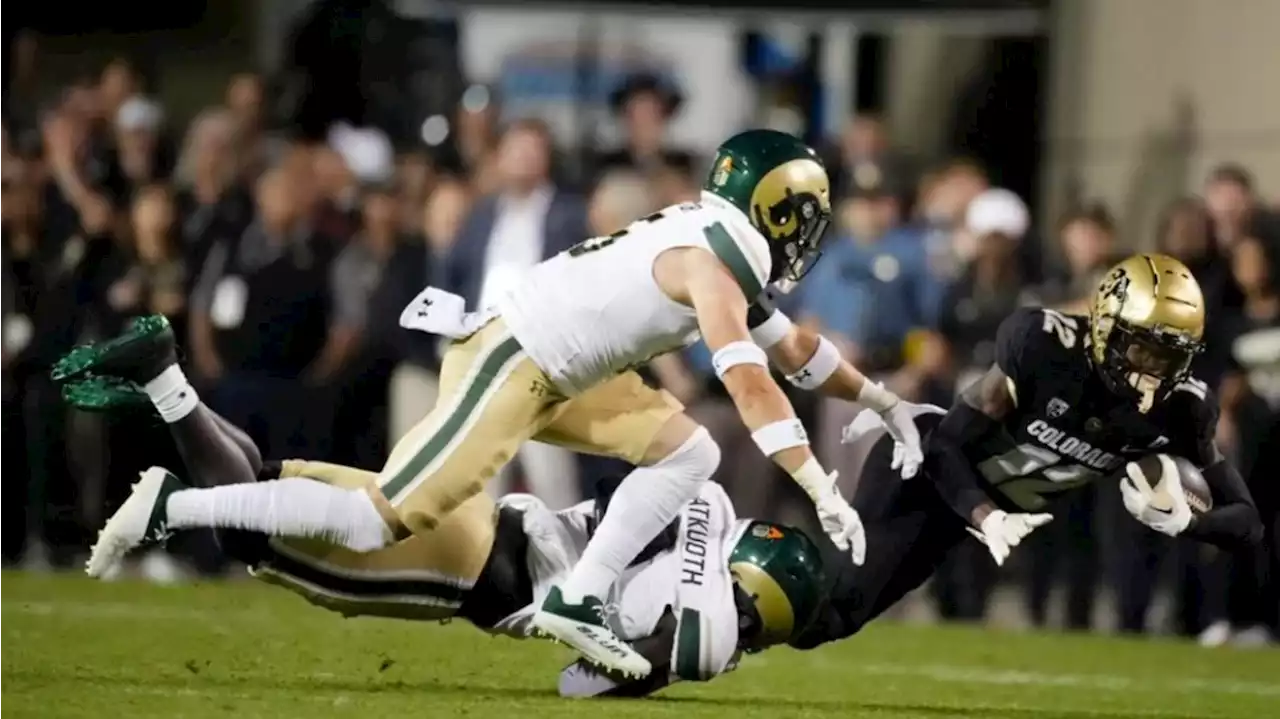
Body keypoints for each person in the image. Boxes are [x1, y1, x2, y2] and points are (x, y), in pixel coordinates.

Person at [55, 129, 925, 678]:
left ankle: (579, 597)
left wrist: (883, 401)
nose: (808, 233)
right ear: (776, 209)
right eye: (803, 214)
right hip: (521, 361)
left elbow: (795, 353)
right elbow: (749, 379)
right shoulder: (719, 256)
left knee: (690, 452)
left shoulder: (712, 239)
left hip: (563, 371)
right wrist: (820, 486)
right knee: (372, 521)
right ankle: (178, 503)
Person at [56, 379, 825, 697]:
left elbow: (675, 501)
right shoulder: (712, 628)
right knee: (247, 531)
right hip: (475, 574)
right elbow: (578, 683)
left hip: (485, 515)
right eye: (763, 623)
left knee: (263, 480)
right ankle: (174, 506)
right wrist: (686, 655)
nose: (753, 637)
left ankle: (165, 381)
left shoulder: (711, 504)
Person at [791, 253, 1265, 648]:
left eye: (1170, 358)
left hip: (971, 514)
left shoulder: (1181, 409)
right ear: (1106, 326)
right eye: (1143, 351)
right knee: (832, 604)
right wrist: (986, 517)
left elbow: (1246, 520)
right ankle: (738, 576)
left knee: (832, 623)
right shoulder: (1045, 347)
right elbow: (945, 444)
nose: (1152, 373)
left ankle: (738, 610)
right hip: (922, 473)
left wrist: (1189, 522)